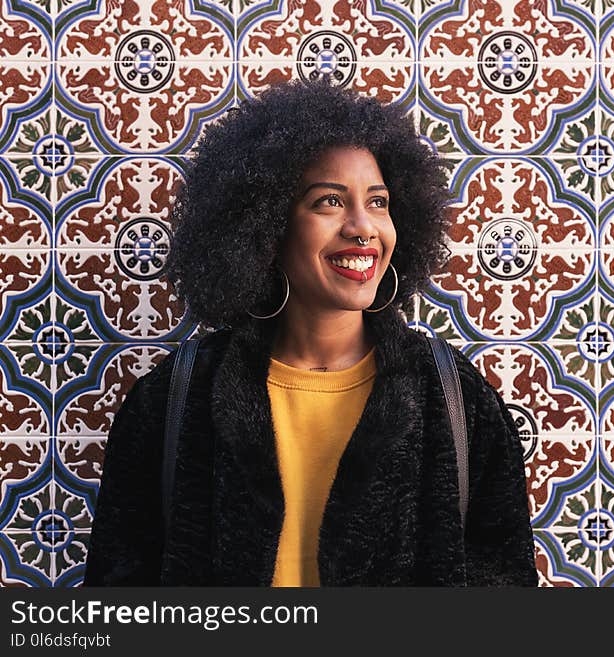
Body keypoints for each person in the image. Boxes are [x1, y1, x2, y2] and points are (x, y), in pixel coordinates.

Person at [83, 77, 538, 586]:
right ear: (267, 224)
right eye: (329, 202)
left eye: (380, 202)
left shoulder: (453, 395)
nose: (363, 227)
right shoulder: (177, 397)